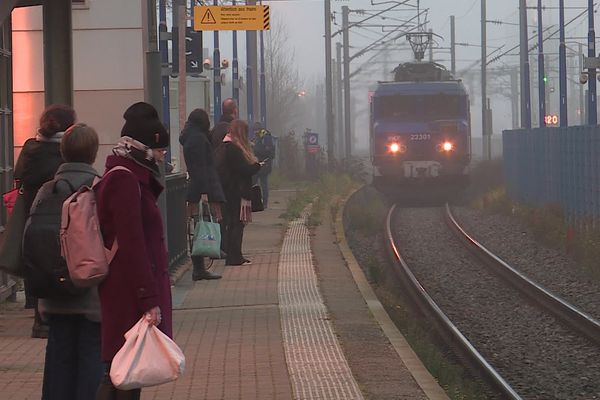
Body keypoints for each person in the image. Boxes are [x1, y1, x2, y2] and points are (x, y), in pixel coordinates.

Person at [94, 102, 172, 399]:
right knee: (123, 371)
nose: (164, 156)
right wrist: (148, 299)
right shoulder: (125, 181)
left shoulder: (127, 176)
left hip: (128, 287)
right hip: (127, 290)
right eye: (161, 149)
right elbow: (132, 244)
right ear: (145, 147)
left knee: (126, 370)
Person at [36, 123, 104, 400]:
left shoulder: (47, 190)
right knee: (90, 362)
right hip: (90, 292)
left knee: (58, 362)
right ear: (93, 153)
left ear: (63, 152)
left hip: (54, 292)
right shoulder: (99, 189)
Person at [14, 103, 74, 338]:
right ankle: (56, 316)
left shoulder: (30, 148)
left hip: (32, 216)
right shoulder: (65, 152)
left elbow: (19, 175)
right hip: (60, 218)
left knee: (36, 264)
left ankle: (39, 318)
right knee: (59, 265)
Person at [179, 108, 225, 280]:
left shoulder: (190, 137)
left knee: (198, 227)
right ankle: (200, 267)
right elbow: (201, 166)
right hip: (201, 188)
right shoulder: (198, 138)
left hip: (196, 187)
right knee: (202, 226)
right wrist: (205, 191)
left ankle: (200, 266)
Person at [215, 120, 262, 266]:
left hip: (229, 190)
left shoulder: (224, 146)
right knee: (237, 223)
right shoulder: (234, 149)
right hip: (237, 191)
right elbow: (243, 169)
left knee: (234, 223)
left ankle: (235, 255)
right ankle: (234, 256)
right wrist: (256, 166)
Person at [252, 123, 275, 208]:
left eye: (256, 130)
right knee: (256, 183)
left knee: (263, 183)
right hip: (259, 163)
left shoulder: (266, 137)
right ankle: (258, 201)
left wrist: (256, 150)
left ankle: (264, 203)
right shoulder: (259, 137)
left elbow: (268, 151)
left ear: (259, 129)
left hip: (265, 163)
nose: (255, 132)